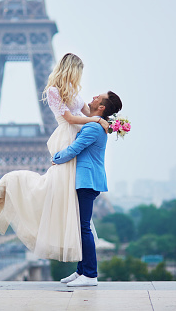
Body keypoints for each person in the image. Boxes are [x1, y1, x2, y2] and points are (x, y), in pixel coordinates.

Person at [0, 53, 109, 262]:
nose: (80, 77)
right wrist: (95, 120)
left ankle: (82, 268)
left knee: (68, 194)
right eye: (78, 72)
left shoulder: (74, 91)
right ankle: (13, 186)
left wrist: (106, 121)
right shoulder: (53, 91)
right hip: (67, 134)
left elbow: (87, 114)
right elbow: (68, 117)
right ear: (71, 70)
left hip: (78, 133)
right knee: (58, 185)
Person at [54, 91, 122, 287]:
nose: (92, 98)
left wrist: (55, 158)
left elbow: (74, 149)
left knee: (84, 227)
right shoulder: (95, 124)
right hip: (87, 180)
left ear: (101, 107)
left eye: (97, 98)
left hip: (87, 181)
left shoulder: (93, 127)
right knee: (81, 226)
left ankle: (90, 274)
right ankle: (81, 271)